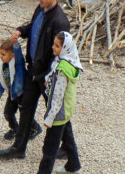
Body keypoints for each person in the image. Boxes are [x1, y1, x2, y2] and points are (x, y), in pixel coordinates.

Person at [0, 0, 70, 160]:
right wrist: (21, 31)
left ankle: (68, 147)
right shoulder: (40, 9)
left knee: (56, 112)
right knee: (26, 108)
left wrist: (49, 76)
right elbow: (33, 28)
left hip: (46, 76)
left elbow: (60, 54)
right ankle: (19, 148)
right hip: (33, 71)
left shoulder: (60, 21)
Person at [38, 31, 83, 174]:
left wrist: (50, 118)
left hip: (58, 113)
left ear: (65, 48)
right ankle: (74, 166)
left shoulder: (62, 71)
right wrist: (48, 78)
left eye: (57, 46)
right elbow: (53, 74)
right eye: (54, 44)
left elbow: (57, 98)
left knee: (49, 148)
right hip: (67, 110)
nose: (53, 47)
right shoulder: (69, 62)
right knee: (67, 136)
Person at [0, 39, 41, 141]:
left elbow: (19, 55)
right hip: (12, 94)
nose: (1, 57)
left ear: (12, 56)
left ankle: (35, 128)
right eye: (0, 54)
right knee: (8, 113)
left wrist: (16, 45)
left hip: (21, 93)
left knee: (24, 113)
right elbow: (2, 80)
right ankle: (15, 128)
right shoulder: (2, 66)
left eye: (3, 54)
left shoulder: (17, 63)